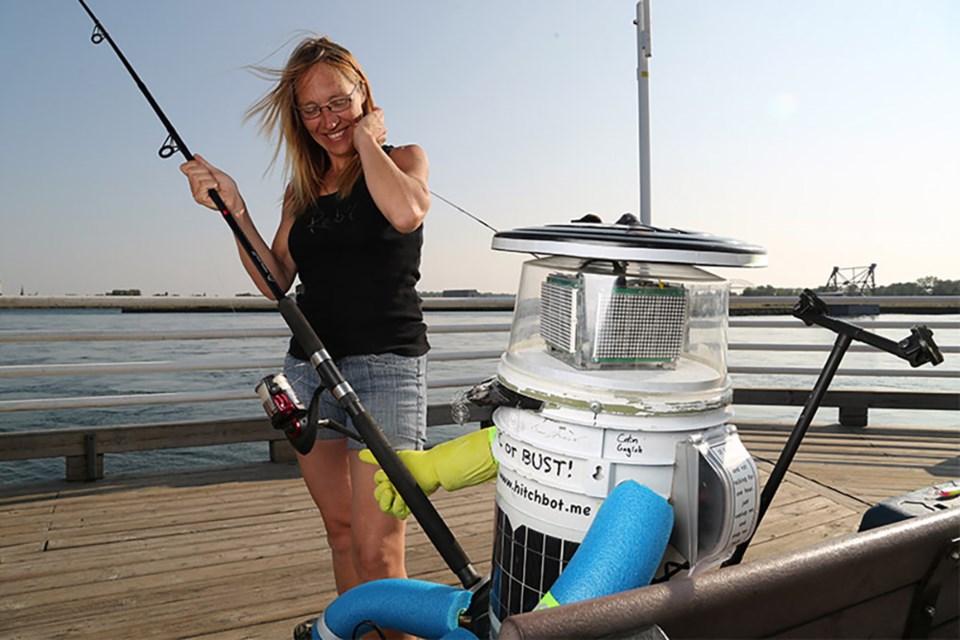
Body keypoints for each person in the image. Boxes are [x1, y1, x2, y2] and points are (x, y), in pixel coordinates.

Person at [179, 35, 430, 639]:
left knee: (380, 550)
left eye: (338, 103)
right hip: (309, 368)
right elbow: (276, 280)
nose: (327, 121)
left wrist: (367, 138)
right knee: (342, 536)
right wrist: (233, 209)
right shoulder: (301, 188)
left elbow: (405, 213)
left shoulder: (405, 157)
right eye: (312, 111)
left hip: (389, 367)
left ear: (363, 95)